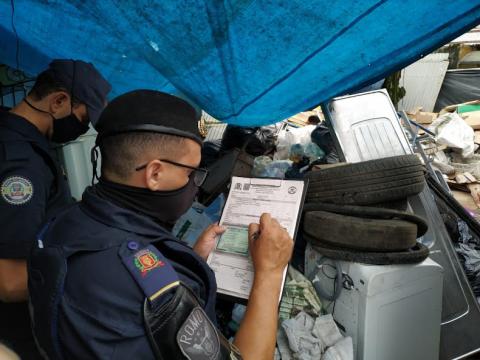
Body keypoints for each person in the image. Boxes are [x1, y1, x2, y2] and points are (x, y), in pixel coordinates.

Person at [28, 90, 294, 359]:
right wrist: (270, 272)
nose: (194, 183)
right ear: (155, 173)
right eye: (190, 172)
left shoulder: (63, 221)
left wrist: (187, 258)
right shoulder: (154, 293)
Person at [0, 59, 111, 359]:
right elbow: (8, 282)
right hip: (15, 331)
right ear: (59, 101)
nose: (83, 128)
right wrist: (87, 272)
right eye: (83, 117)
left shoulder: (20, 136)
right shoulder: (22, 164)